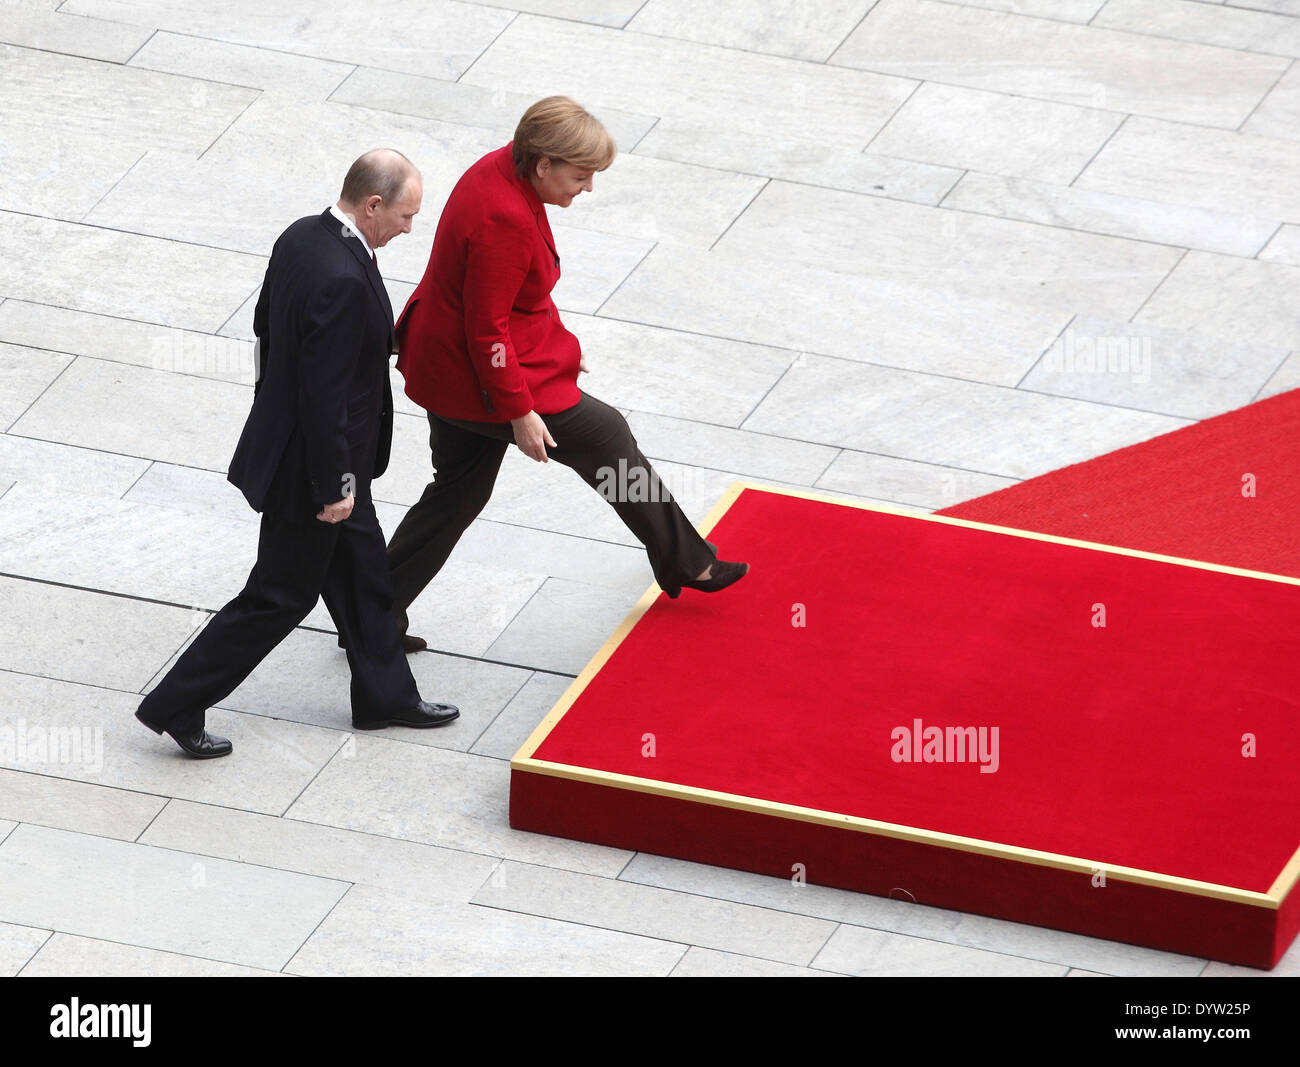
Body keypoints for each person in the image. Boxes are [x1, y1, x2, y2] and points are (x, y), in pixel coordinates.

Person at [386, 97, 749, 651]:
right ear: (542, 165)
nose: (587, 189)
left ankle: (372, 612)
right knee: (604, 435)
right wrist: (520, 413)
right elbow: (488, 331)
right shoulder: (504, 217)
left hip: (449, 366)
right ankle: (686, 561)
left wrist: (555, 350)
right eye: (581, 177)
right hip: (475, 379)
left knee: (456, 494)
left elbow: (507, 305)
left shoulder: (499, 167)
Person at [135, 149, 459, 759]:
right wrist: (334, 484)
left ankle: (386, 695)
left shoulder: (301, 237)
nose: (409, 230)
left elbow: (267, 329)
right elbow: (324, 395)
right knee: (280, 595)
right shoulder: (340, 276)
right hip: (315, 471)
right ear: (372, 205)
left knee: (365, 579)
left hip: (329, 460)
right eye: (406, 217)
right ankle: (177, 702)